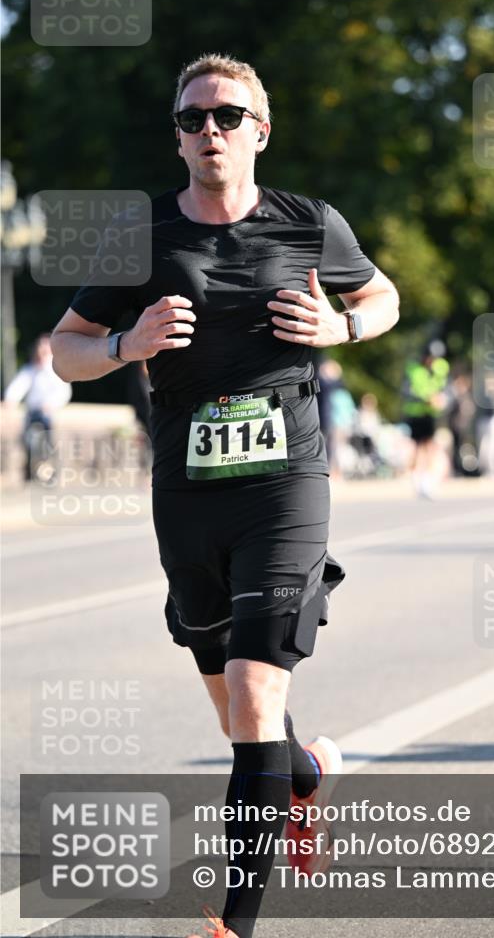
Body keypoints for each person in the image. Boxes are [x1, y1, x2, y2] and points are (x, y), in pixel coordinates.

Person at [50, 53, 399, 938]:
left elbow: (384, 296)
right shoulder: (143, 236)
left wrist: (343, 324)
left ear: (260, 130)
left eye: (228, 116)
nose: (212, 130)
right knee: (235, 706)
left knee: (252, 692)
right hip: (188, 487)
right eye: (195, 117)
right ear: (177, 135)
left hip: (283, 483)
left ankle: (232, 926)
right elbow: (66, 348)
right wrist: (128, 342)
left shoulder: (309, 222)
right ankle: (306, 776)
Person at [3, 332, 72, 481]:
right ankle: (29, 470)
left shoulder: (57, 370)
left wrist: (52, 404)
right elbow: (18, 386)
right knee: (27, 439)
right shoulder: (31, 370)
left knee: (48, 441)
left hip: (48, 413)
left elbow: (63, 392)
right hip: (32, 412)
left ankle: (50, 471)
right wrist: (10, 400)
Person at [401, 340, 449, 497]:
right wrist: (426, 399)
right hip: (416, 413)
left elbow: (446, 388)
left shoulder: (441, 368)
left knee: (430, 446)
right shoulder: (413, 369)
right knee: (416, 447)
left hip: (431, 414)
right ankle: (416, 478)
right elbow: (406, 392)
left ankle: (428, 480)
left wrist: (443, 398)